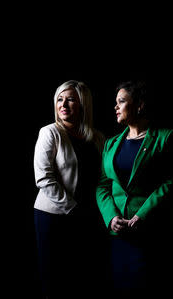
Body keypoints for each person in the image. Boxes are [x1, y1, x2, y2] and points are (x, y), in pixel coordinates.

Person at [96, 80, 173, 293]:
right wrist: (111, 217)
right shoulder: (111, 143)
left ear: (139, 105)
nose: (115, 107)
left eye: (121, 101)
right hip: (119, 235)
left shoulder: (166, 138)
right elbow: (103, 185)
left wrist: (142, 216)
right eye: (115, 102)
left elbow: (172, 181)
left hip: (154, 233)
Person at [33, 80, 105, 298]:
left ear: (83, 105)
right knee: (54, 277)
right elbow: (44, 178)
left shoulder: (98, 138)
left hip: (89, 217)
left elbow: (104, 177)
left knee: (82, 277)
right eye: (60, 99)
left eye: (71, 99)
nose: (63, 104)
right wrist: (73, 209)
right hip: (53, 216)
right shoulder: (49, 132)